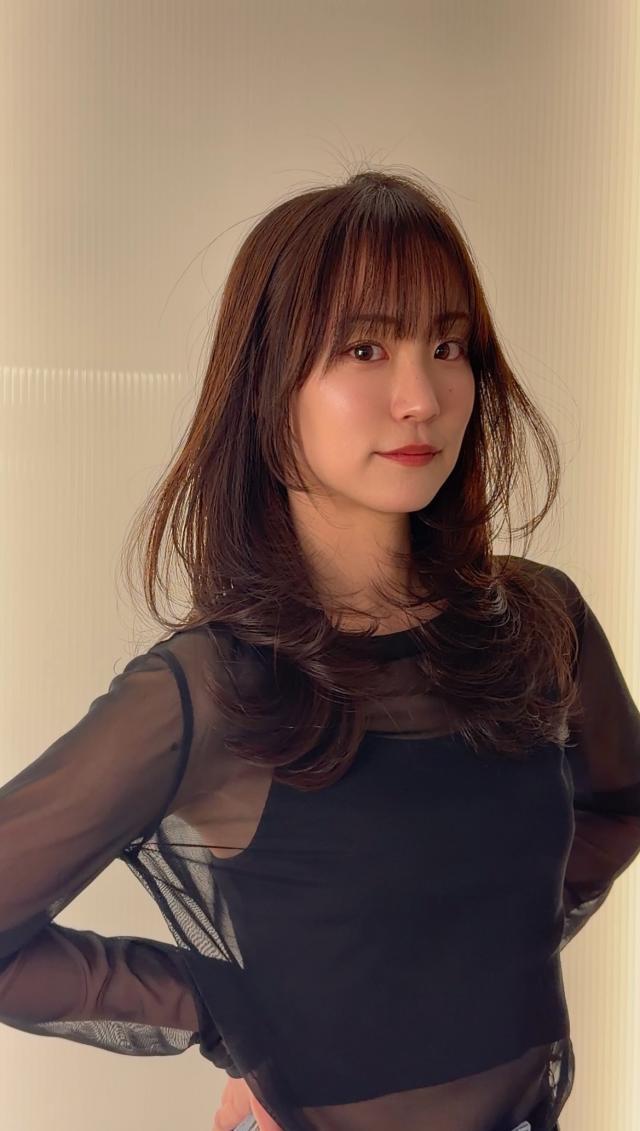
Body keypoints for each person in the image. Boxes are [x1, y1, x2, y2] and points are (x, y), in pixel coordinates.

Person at [1, 167, 638, 1131]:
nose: (421, 397)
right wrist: (239, 1015)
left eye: (448, 345)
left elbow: (620, 806)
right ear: (268, 385)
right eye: (365, 347)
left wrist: (477, 940)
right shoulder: (209, 688)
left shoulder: (543, 620)